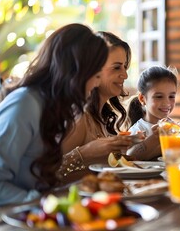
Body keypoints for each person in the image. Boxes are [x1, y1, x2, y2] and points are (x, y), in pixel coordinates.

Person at [0, 23, 108, 213]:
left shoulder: (52, 107)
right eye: (96, 75)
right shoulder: (23, 105)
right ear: (75, 72)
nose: (98, 82)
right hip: (2, 221)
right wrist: (47, 205)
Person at [59, 31, 141, 184]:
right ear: (93, 69)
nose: (125, 75)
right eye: (117, 68)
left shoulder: (103, 117)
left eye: (125, 67)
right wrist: (83, 153)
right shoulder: (80, 118)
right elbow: (51, 174)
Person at [125, 66, 178, 160]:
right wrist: (155, 137)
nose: (167, 103)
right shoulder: (137, 130)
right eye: (158, 97)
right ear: (142, 99)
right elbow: (128, 158)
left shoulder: (174, 127)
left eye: (171, 96)